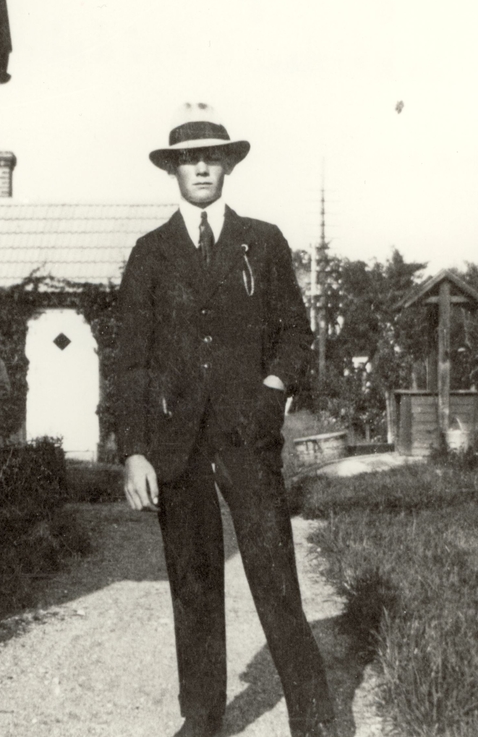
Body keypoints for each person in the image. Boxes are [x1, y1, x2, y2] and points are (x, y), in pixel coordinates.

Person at [115, 102, 336, 737]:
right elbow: (132, 361)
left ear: (229, 166)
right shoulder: (150, 253)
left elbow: (295, 333)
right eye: (189, 160)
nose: (202, 169)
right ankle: (204, 716)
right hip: (176, 441)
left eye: (212, 157)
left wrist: (273, 389)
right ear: (173, 170)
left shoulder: (261, 242)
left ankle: (315, 721)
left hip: (248, 434)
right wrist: (135, 450)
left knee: (275, 575)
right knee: (192, 580)